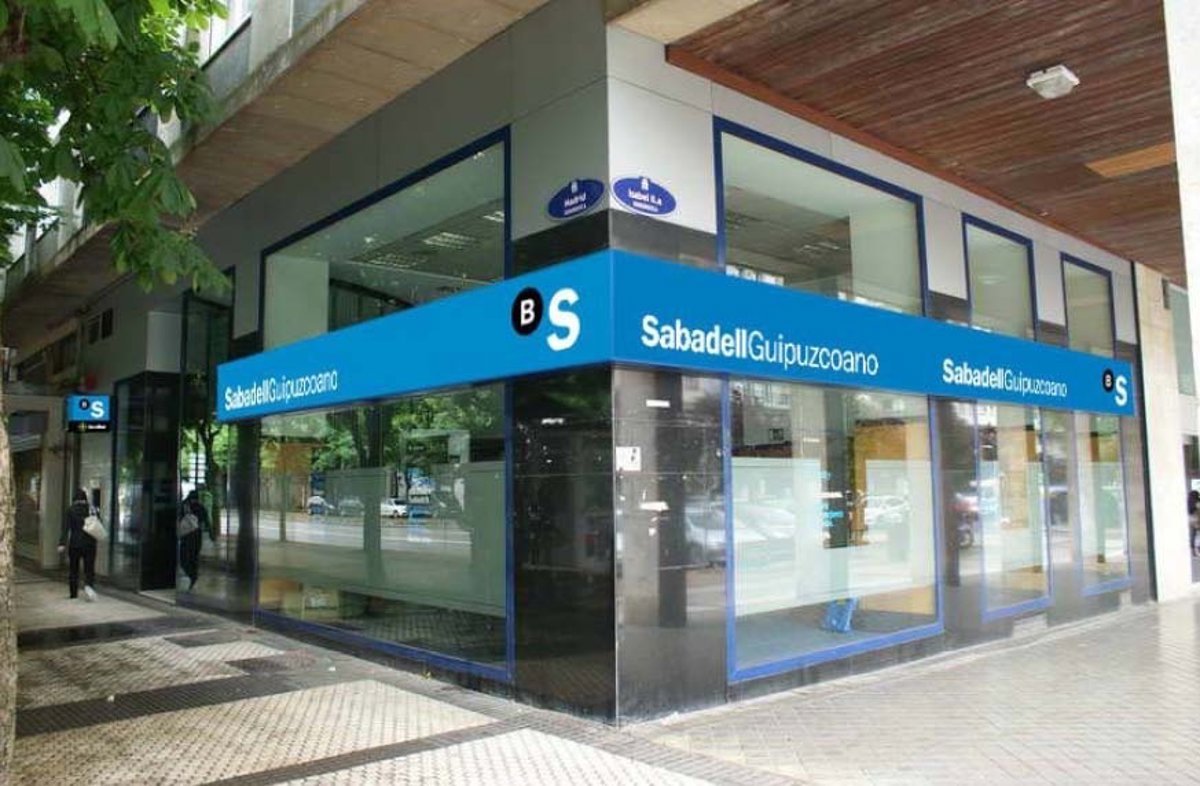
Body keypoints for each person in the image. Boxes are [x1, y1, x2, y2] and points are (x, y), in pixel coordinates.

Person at [58, 489, 98, 601]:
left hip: (75, 544)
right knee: (89, 569)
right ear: (85, 498)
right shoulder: (91, 509)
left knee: (73, 569)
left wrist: (62, 543)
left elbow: (65, 528)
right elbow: (97, 523)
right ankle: (89, 587)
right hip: (90, 543)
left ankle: (73, 594)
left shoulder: (70, 510)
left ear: (74, 499)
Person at [178, 490, 211, 592]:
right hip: (197, 535)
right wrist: (211, 534)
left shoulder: (185, 506)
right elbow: (206, 522)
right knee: (193, 557)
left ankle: (192, 575)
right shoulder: (201, 507)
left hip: (186, 536)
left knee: (184, 558)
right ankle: (193, 576)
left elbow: (179, 518)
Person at [1189, 490, 1200, 557]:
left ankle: (1193, 551)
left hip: (1192, 520)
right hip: (1197, 519)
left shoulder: (1189, 503)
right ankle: (1197, 549)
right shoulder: (1197, 503)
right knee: (1197, 534)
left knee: (1193, 535)